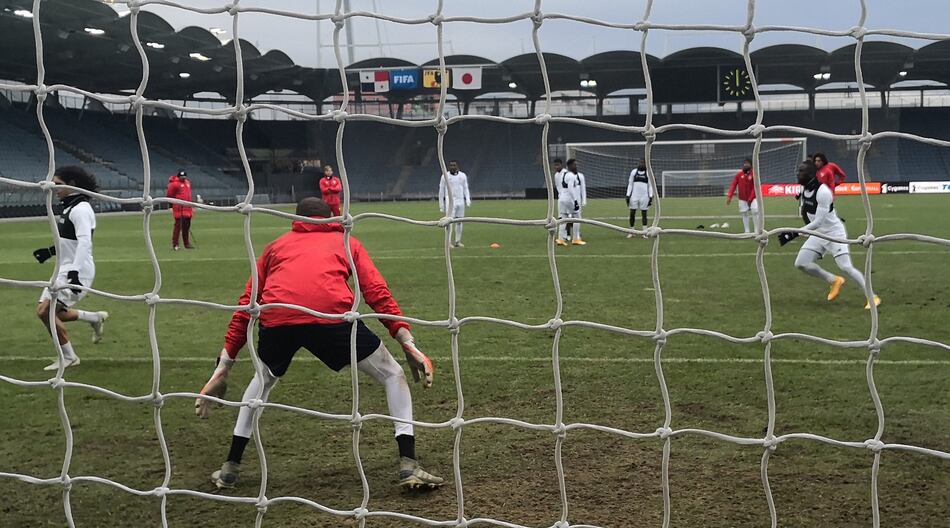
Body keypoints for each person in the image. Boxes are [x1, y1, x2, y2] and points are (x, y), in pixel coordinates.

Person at [194, 197, 443, 491]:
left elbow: (245, 306)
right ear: (331, 217)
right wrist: (406, 341)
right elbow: (376, 291)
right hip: (330, 319)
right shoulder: (345, 241)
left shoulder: (275, 247)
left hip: (278, 322)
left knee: (262, 380)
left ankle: (229, 469)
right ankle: (408, 464)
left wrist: (223, 367)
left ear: (296, 220)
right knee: (392, 373)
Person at [33, 166, 109, 371]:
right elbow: (70, 241)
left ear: (72, 184)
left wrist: (74, 272)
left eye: (58, 184)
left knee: (45, 311)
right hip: (63, 267)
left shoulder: (81, 209)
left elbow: (84, 243)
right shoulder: (70, 206)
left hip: (77, 269)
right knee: (54, 312)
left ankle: (69, 357)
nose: (55, 189)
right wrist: (50, 251)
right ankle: (94, 318)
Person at [778, 160, 881, 309]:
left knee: (846, 266)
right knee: (801, 263)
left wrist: (794, 234)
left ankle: (872, 297)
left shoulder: (823, 192)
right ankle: (834, 280)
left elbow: (819, 221)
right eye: (798, 171)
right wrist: (805, 230)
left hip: (834, 233)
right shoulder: (804, 190)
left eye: (802, 171)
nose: (798, 174)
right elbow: (806, 212)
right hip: (818, 234)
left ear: (812, 174)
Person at [438, 160, 471, 248]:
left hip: (460, 201)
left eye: (454, 165)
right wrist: (441, 204)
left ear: (457, 166)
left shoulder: (462, 176)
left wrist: (467, 199)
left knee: (459, 221)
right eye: (451, 165)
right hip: (450, 201)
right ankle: (448, 242)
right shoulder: (445, 176)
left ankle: (457, 241)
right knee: (449, 221)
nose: (452, 167)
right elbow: (441, 190)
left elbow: (465, 188)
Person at [556, 158, 587, 246]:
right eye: (574, 165)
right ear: (570, 166)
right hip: (568, 199)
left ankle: (561, 239)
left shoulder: (564, 174)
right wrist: (575, 200)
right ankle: (576, 238)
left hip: (562, 199)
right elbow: (570, 188)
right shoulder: (571, 176)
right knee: (577, 217)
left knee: (563, 218)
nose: (576, 166)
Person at [726, 158, 760, 234]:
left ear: (751, 165)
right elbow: (733, 185)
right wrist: (729, 196)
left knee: (755, 211)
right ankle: (747, 231)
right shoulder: (739, 175)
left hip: (753, 197)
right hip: (742, 198)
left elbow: (756, 187)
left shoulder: (754, 174)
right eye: (745, 163)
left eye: (747, 163)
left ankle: (756, 230)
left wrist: (750, 199)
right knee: (744, 213)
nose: (746, 165)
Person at [166, 169, 194, 250]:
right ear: (178, 177)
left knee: (186, 227)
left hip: (188, 208)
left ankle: (186, 243)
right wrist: (171, 205)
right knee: (178, 227)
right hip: (179, 208)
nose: (183, 178)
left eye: (184, 176)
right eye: (181, 176)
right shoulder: (174, 184)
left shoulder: (187, 183)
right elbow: (170, 195)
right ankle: (175, 244)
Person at [625, 159, 653, 239]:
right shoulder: (634, 172)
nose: (642, 164)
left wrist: (650, 196)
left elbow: (650, 186)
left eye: (643, 163)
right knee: (632, 213)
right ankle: (632, 232)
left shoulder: (648, 173)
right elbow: (630, 184)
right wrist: (628, 195)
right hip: (634, 196)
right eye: (641, 163)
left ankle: (644, 232)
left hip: (644, 197)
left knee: (644, 214)